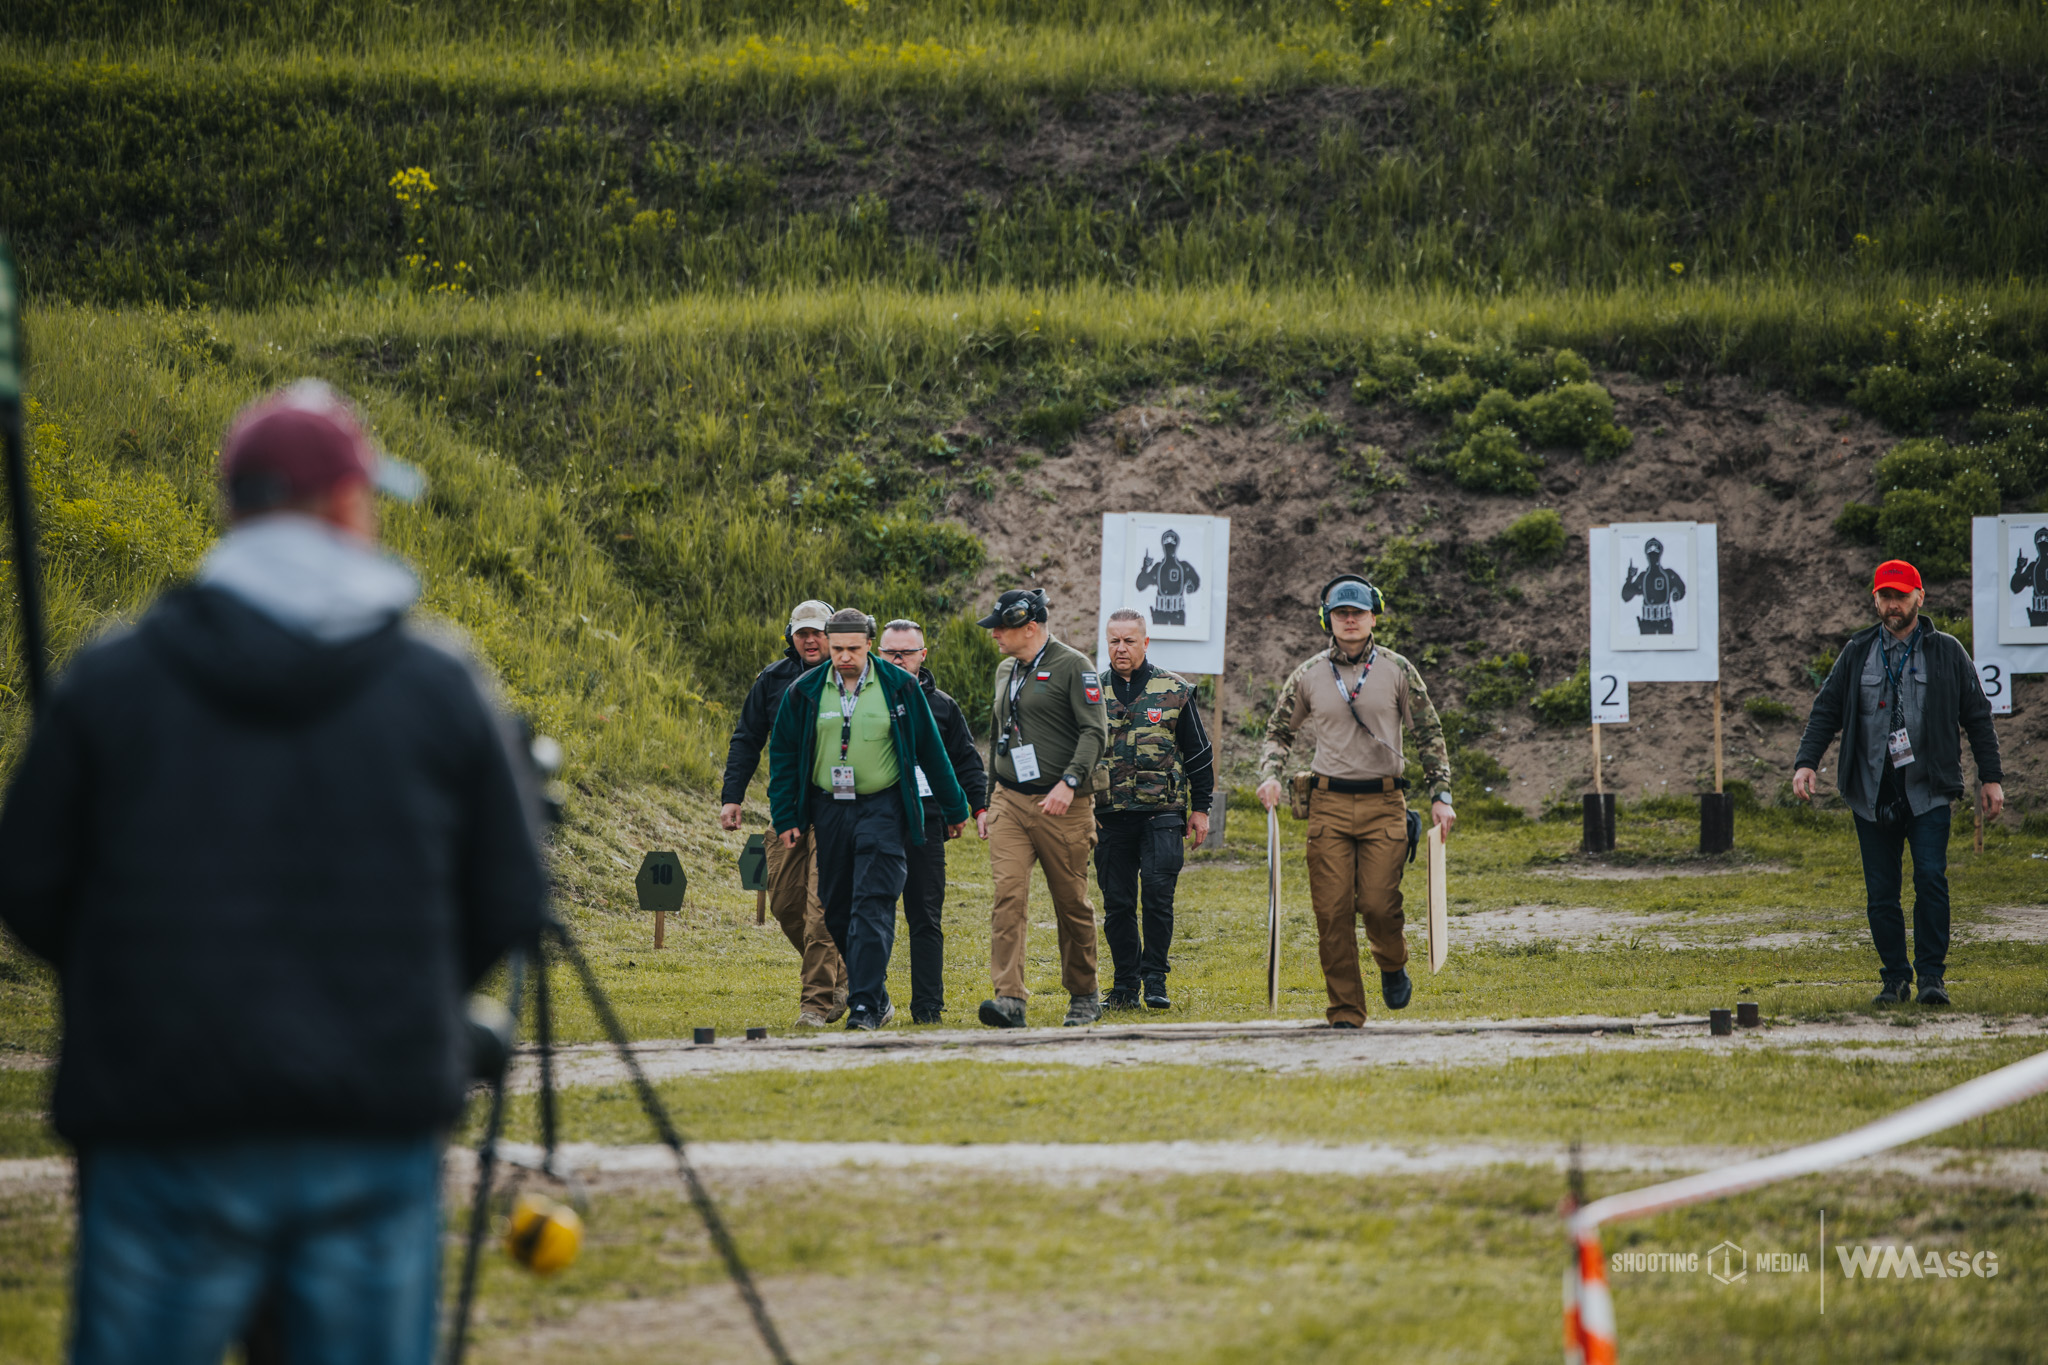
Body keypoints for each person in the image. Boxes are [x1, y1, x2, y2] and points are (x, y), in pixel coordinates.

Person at [0, 380, 549, 1364]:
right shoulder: (436, 685)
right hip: (369, 1122)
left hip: (160, 1120)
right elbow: (508, 895)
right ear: (347, 504)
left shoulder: (113, 680)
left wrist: (138, 995)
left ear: (231, 506)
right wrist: (396, 1000)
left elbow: (32, 885)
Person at [1793, 559, 2003, 1006]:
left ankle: (1931, 977)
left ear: (1919, 597)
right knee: (1881, 892)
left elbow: (1978, 717)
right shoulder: (1857, 650)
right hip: (1871, 793)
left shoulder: (1948, 651)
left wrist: (1992, 777)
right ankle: (1894, 979)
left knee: (1930, 879)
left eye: (1901, 596)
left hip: (1928, 789)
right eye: (1885, 596)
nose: (1893, 605)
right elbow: (1826, 709)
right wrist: (1806, 762)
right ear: (1875, 599)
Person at [1256, 574, 1454, 1028]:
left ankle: (1392, 960)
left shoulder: (1398, 670)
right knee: (1332, 912)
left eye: (1358, 613)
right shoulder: (1307, 674)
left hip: (1385, 805)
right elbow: (1279, 732)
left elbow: (1429, 733)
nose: (1349, 620)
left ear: (1373, 618)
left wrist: (1441, 795)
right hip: (1327, 806)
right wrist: (1270, 775)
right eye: (1341, 613)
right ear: (1327, 618)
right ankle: (1345, 1010)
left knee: (1381, 905)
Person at [766, 609, 969, 1030]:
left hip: (884, 807)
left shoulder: (900, 688)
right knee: (836, 908)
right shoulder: (804, 692)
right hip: (828, 809)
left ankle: (862, 1007)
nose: (844, 658)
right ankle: (874, 995)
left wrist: (955, 808)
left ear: (869, 647)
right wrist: (786, 816)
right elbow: (783, 758)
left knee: (872, 905)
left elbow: (932, 750)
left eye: (853, 649)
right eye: (836, 649)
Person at [974, 588, 1111, 1029]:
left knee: (1071, 902)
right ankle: (1010, 997)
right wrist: (989, 798)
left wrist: (1070, 783)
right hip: (1009, 800)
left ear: (1030, 628)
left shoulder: (1075, 666)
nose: (995, 634)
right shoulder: (1005, 669)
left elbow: (1095, 732)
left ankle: (1084, 994)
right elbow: (998, 732)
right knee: (1008, 897)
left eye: (1003, 627)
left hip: (1062, 806)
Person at [720, 599, 849, 1027]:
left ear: (832, 635)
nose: (810, 640)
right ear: (790, 637)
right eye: (802, 633)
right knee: (786, 903)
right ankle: (850, 977)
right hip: (788, 811)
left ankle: (815, 1004)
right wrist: (731, 797)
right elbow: (746, 739)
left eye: (818, 632)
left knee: (821, 910)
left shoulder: (850, 678)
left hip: (836, 809)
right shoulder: (772, 680)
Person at [1095, 608, 1215, 1011]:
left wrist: (1201, 809)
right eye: (1114, 640)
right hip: (1109, 814)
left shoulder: (1174, 689)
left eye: (1129, 640)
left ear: (1145, 642)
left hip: (1162, 812)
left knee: (1159, 897)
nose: (1121, 648)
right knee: (1118, 903)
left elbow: (1198, 753)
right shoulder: (1091, 691)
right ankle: (1125, 985)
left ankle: (1155, 980)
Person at [877, 619, 988, 1024]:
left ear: (923, 656)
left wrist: (978, 807)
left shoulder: (942, 705)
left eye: (907, 652)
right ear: (878, 653)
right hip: (876, 820)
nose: (898, 659)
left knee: (925, 916)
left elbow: (965, 760)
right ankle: (873, 1000)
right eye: (890, 652)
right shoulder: (866, 701)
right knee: (874, 913)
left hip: (927, 825)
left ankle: (928, 1007)